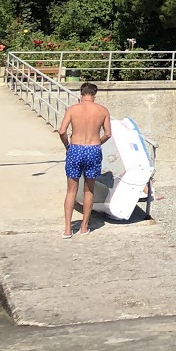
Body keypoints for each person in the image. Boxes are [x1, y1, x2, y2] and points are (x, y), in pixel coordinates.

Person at [57, 81, 111, 238]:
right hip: (93, 149)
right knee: (89, 190)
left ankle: (67, 229)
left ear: (81, 94)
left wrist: (68, 146)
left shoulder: (73, 109)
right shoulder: (102, 110)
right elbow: (108, 133)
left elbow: (62, 131)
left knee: (71, 191)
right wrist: (97, 143)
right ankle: (84, 227)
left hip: (76, 149)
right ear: (94, 95)